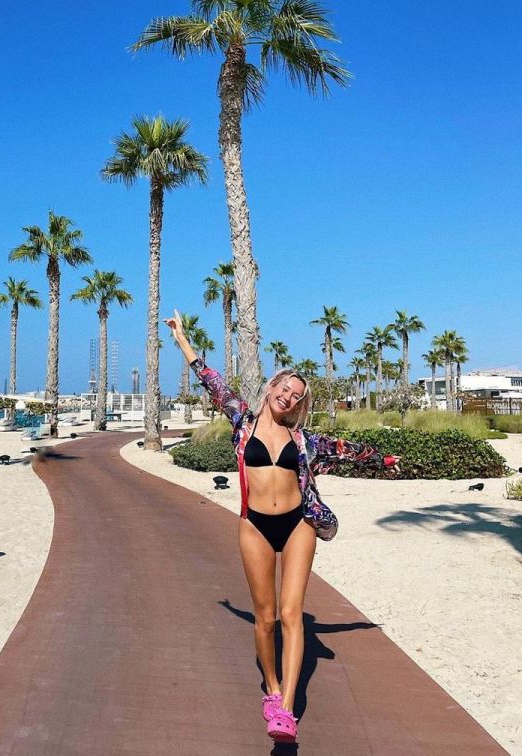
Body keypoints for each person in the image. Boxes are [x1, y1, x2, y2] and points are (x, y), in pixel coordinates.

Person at [164, 310, 398, 744]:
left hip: (297, 525)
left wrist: (384, 460)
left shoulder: (304, 441)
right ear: (271, 388)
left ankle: (286, 710)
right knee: (265, 618)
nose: (288, 398)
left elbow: (348, 450)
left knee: (292, 615)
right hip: (254, 525)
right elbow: (212, 381)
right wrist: (182, 339)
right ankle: (271, 689)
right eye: (284, 389)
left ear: (299, 405)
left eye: (296, 396)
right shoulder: (242, 421)